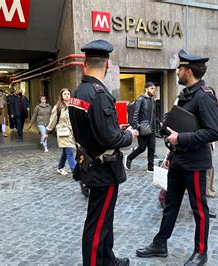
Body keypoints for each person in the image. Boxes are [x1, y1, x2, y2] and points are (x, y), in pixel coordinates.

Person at [136, 50, 218, 265]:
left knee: (198, 209)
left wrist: (180, 138)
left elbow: (214, 132)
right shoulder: (187, 93)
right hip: (178, 159)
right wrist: (170, 142)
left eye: (180, 68)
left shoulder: (204, 96)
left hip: (194, 163)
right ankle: (160, 244)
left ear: (189, 71)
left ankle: (201, 252)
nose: (177, 71)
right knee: (171, 204)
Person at [68, 40, 138, 266]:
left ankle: (108, 259)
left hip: (90, 162)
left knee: (104, 219)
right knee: (97, 224)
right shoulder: (98, 94)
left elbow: (93, 129)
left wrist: (115, 130)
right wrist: (130, 135)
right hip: (103, 169)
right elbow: (110, 138)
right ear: (107, 64)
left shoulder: (79, 92)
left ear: (85, 64)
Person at [124, 81, 156, 173]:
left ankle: (150, 167)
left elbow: (153, 115)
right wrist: (137, 127)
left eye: (154, 88)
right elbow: (135, 114)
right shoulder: (140, 100)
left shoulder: (152, 100)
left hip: (152, 127)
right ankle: (129, 158)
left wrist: (158, 123)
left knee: (152, 147)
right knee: (142, 148)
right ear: (146, 89)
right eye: (151, 88)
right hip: (143, 127)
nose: (153, 90)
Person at [46, 89, 75, 173]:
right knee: (70, 152)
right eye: (65, 94)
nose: (67, 95)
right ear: (61, 96)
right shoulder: (58, 107)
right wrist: (47, 132)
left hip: (72, 132)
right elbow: (52, 121)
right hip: (63, 132)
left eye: (68, 94)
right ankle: (75, 171)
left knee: (65, 152)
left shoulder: (73, 106)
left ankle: (60, 167)